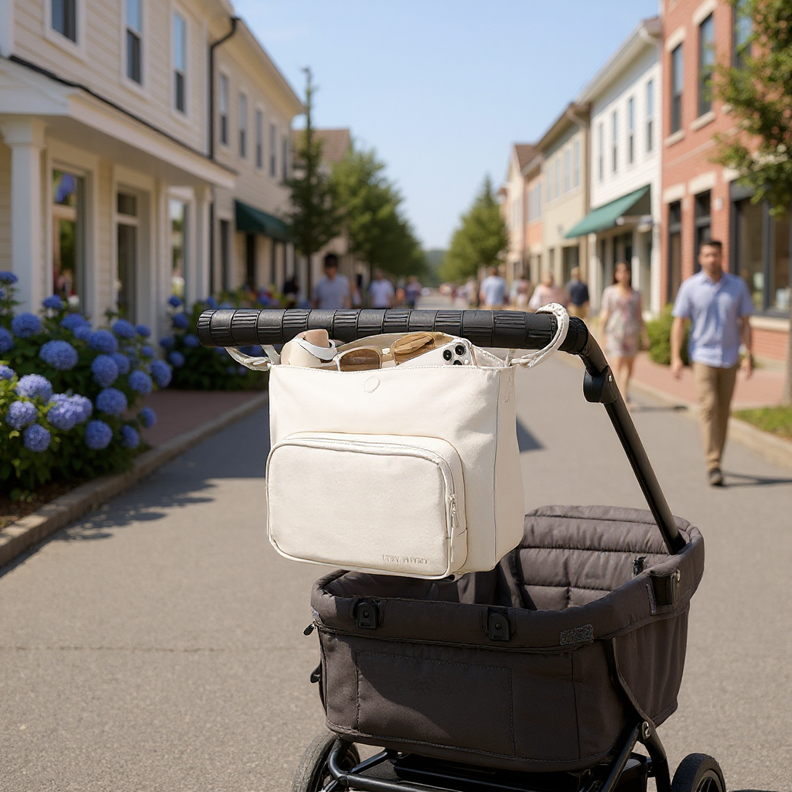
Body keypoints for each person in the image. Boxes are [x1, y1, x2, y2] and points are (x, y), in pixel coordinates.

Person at [671, 240, 754, 487]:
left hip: (729, 357)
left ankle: (717, 457)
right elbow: (679, 322)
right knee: (709, 406)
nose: (712, 259)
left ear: (722, 257)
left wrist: (749, 355)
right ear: (700, 258)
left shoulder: (737, 286)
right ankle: (713, 463)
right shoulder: (691, 286)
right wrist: (676, 357)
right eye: (707, 255)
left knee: (724, 411)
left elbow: (746, 323)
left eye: (716, 255)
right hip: (703, 356)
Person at [599, 262, 647, 404]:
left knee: (629, 366)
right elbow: (605, 313)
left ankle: (624, 390)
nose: (623, 274)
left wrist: (645, 335)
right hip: (615, 332)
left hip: (631, 332)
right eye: (619, 271)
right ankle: (621, 397)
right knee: (617, 362)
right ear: (615, 274)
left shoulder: (636, 294)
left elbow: (639, 315)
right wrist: (601, 335)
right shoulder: (610, 292)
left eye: (626, 271)